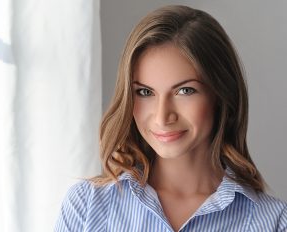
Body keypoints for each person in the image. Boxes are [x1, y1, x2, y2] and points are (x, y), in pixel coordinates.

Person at [55, 5, 287, 231]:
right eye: (145, 92)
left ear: (220, 94)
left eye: (184, 91)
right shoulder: (86, 206)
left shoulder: (274, 222)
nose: (162, 116)